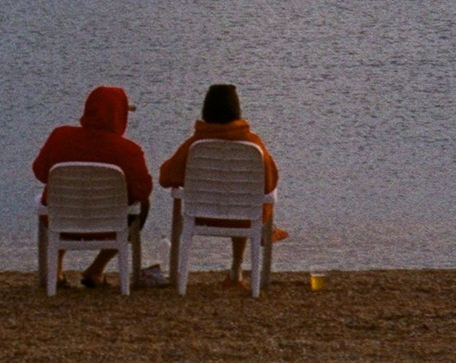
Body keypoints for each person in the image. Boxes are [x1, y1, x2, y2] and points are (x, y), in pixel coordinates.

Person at [157, 82, 290, 285]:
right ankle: (236, 272)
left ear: (206, 110)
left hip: (201, 215)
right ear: (236, 110)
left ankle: (180, 276)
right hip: (244, 217)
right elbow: (270, 183)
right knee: (245, 201)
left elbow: (166, 178)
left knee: (239, 200)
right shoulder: (253, 144)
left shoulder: (194, 144)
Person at [32, 85, 153, 290]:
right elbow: (142, 192)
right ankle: (96, 269)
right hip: (108, 224)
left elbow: (40, 172)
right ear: (119, 116)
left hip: (62, 218)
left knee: (61, 199)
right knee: (144, 206)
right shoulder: (129, 151)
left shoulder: (59, 137)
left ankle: (56, 269)